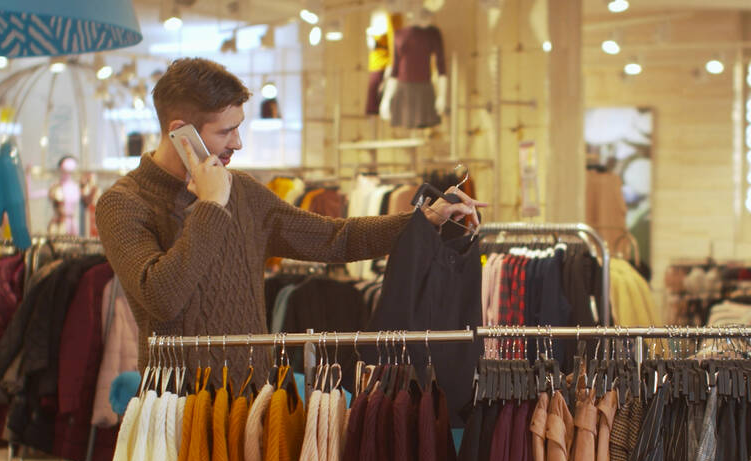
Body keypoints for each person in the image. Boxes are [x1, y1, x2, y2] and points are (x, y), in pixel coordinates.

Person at [96, 58, 482, 378]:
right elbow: (161, 298)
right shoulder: (124, 204)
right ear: (181, 133)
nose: (238, 143)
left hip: (252, 400)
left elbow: (336, 238)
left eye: (239, 128)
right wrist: (211, 206)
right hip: (174, 408)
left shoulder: (244, 192)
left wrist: (424, 220)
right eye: (226, 131)